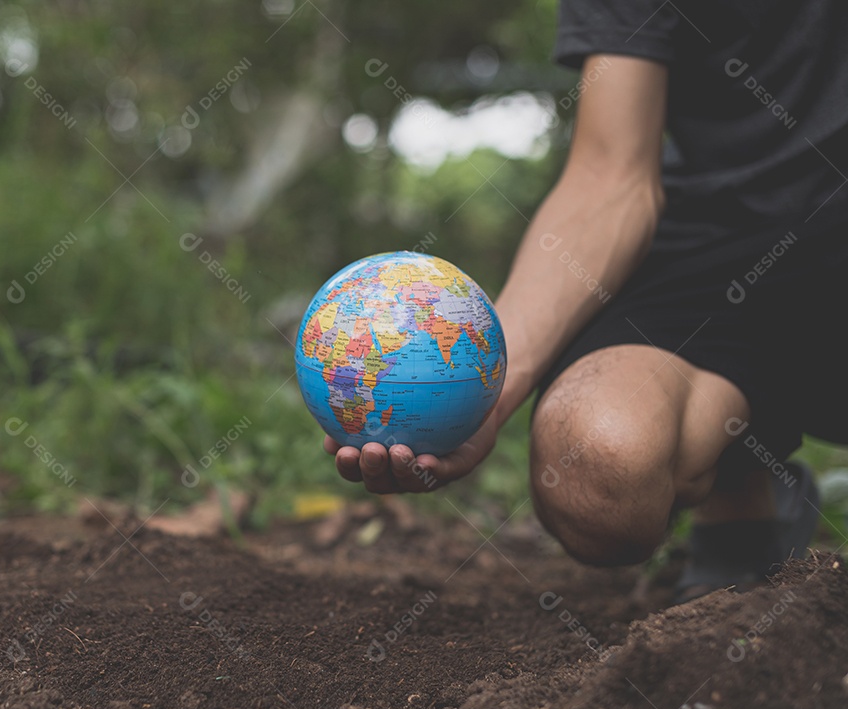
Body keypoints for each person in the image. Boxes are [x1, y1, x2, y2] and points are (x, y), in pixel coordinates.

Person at [326, 0, 848, 602]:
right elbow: (611, 177)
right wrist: (487, 393)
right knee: (594, 468)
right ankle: (744, 502)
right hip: (722, 239)